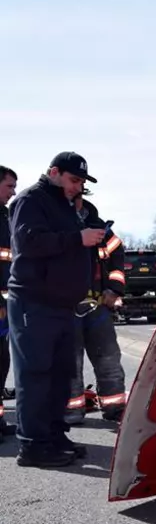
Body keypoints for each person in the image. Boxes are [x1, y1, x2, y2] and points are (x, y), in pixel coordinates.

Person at [8, 152, 104, 467]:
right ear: (54, 172)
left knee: (60, 376)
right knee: (36, 375)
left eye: (81, 182)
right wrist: (78, 237)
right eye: (74, 180)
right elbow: (29, 242)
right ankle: (33, 446)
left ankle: (53, 434)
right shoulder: (31, 200)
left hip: (62, 306)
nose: (77, 187)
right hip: (34, 303)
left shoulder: (65, 204)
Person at [64, 190, 128, 426]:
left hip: (97, 305)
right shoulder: (56, 222)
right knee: (70, 362)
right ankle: (72, 411)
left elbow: (118, 256)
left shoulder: (97, 224)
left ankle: (114, 407)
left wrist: (114, 289)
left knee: (109, 358)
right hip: (65, 307)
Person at [0, 165, 17, 439]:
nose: (13, 193)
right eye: (9, 186)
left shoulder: (4, 215)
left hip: (3, 301)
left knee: (2, 362)